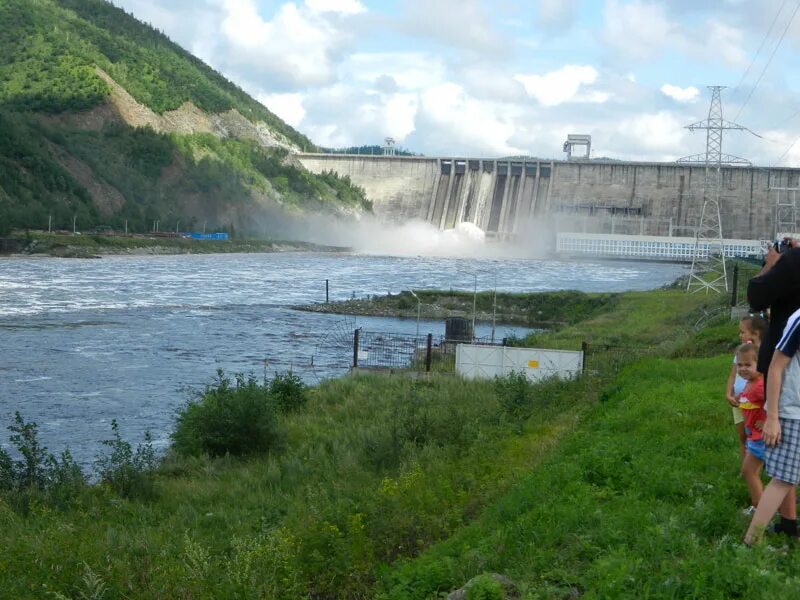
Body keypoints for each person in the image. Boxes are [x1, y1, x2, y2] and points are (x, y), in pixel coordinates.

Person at [747, 239, 800, 537]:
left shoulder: (793, 261)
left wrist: (772, 264)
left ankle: (778, 528)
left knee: (785, 461)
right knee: (787, 463)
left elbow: (756, 296)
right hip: (789, 376)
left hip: (786, 374)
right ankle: (787, 525)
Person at [727, 316, 767, 457]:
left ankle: (756, 467)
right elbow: (732, 375)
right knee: (744, 435)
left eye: (743, 332)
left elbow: (772, 398)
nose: (740, 335)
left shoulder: (762, 354)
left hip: (756, 407)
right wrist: (730, 394)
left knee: (759, 437)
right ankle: (747, 467)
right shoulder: (741, 352)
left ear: (755, 333)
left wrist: (767, 421)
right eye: (740, 365)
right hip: (741, 402)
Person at [735, 342, 766, 514]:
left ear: (759, 364)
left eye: (748, 364)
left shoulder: (761, 385)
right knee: (749, 471)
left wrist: (768, 420)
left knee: (749, 471)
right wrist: (740, 397)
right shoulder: (751, 382)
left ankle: (759, 508)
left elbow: (778, 400)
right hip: (753, 437)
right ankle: (760, 506)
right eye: (740, 365)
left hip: (761, 438)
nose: (743, 369)